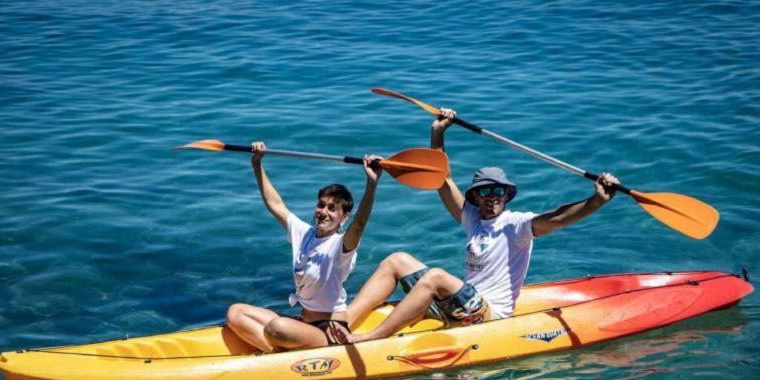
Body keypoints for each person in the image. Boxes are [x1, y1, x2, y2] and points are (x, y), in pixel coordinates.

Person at [343, 108, 619, 343]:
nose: (491, 198)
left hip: (488, 314)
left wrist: (596, 201)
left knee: (436, 276)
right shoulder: (472, 218)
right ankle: (343, 324)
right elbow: (440, 177)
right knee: (396, 260)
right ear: (475, 197)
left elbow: (559, 217)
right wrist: (438, 133)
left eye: (498, 192)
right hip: (462, 305)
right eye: (484, 192)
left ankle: (374, 337)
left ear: (506, 196)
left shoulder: (517, 225)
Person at [225, 141, 382, 352]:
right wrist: (257, 164)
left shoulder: (340, 246)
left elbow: (360, 224)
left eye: (332, 208)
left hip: (330, 330)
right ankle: (279, 352)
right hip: (304, 322)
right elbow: (275, 204)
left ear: (344, 217)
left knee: (276, 327)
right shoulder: (304, 233)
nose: (323, 212)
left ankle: (281, 354)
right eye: (321, 205)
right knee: (235, 312)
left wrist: (371, 183)